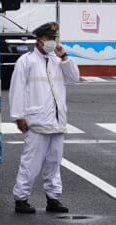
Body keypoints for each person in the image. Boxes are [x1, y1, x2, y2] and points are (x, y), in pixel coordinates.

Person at [10, 21, 80, 214]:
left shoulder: (58, 60)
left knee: (54, 162)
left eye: (53, 38)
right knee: (31, 162)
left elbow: (74, 78)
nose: (51, 42)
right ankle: (21, 198)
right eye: (49, 38)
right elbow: (16, 89)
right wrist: (18, 116)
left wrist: (64, 56)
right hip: (36, 121)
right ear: (39, 39)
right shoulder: (26, 61)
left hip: (57, 122)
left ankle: (53, 198)